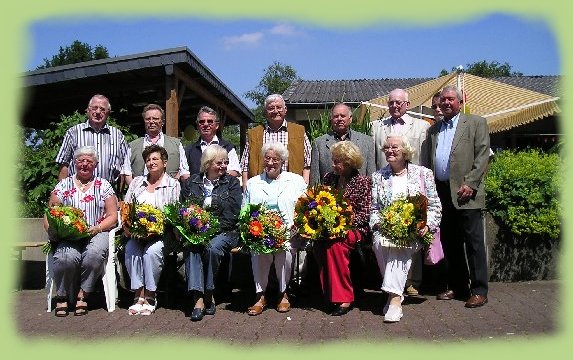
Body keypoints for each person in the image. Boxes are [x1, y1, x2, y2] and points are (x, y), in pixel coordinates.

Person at [423, 85, 490, 308]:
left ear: (460, 102)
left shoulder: (476, 123)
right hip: (442, 192)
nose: (446, 103)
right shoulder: (433, 130)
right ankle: (458, 286)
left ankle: (479, 290)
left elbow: (482, 157)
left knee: (474, 243)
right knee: (450, 243)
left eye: (451, 99)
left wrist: (470, 183)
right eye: (443, 100)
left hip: (466, 192)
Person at [370, 135, 442, 322]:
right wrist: (379, 224)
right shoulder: (378, 176)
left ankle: (394, 301)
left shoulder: (423, 173)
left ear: (406, 150)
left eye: (394, 147)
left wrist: (427, 225)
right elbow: (375, 208)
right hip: (385, 228)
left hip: (414, 231)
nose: (389, 150)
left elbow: (435, 206)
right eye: (386, 147)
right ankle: (396, 294)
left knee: (398, 248)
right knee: (379, 243)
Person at [44, 145, 119, 317]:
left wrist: (98, 228)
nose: (84, 164)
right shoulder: (64, 185)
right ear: (74, 163)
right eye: (80, 161)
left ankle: (82, 294)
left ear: (95, 164)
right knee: (65, 257)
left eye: (89, 161)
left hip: (96, 231)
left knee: (94, 254)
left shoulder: (103, 185)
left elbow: (112, 216)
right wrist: (53, 231)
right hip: (69, 235)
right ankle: (62, 295)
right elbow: (50, 213)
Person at [370, 88, 431, 297]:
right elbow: (375, 158)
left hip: (412, 184)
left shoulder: (422, 126)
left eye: (399, 102)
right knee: (388, 236)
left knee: (412, 229)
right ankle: (392, 283)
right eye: (391, 102)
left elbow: (424, 157)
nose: (395, 106)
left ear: (408, 103)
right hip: (386, 184)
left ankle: (412, 281)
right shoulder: (376, 127)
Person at [243, 142, 307, 316]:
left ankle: (283, 292)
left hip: (288, 231)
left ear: (283, 162)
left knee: (284, 250)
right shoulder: (253, 183)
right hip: (260, 230)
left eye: (275, 159)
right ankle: (260, 295)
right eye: (267, 158)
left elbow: (304, 209)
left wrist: (294, 227)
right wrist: (254, 229)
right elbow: (245, 211)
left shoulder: (296, 181)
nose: (271, 163)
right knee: (258, 250)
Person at [179, 144, 242, 321]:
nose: (223, 166)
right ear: (207, 164)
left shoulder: (232, 184)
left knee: (213, 248)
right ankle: (198, 299)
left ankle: (209, 292)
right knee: (192, 246)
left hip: (225, 231)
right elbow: (182, 208)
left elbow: (233, 214)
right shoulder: (192, 182)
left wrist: (209, 229)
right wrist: (192, 227)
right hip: (196, 231)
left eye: (225, 163)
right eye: (219, 163)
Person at [313, 141, 371, 316]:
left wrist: (343, 224)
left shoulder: (362, 182)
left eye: (337, 161)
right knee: (319, 243)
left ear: (348, 162)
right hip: (331, 228)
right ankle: (330, 294)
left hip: (356, 229)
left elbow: (365, 214)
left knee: (336, 244)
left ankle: (345, 297)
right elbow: (320, 203)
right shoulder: (329, 178)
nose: (333, 164)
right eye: (333, 160)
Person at [123, 144, 181, 315]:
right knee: (130, 248)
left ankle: (150, 294)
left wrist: (155, 227)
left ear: (164, 162)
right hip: (136, 233)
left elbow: (174, 214)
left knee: (152, 252)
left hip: (162, 234)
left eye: (155, 159)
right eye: (148, 160)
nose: (151, 162)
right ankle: (137, 293)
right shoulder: (136, 182)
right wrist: (129, 227)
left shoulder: (173, 185)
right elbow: (126, 208)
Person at [240, 94, 311, 190]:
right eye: (271, 108)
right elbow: (245, 165)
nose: (275, 111)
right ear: (265, 112)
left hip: (291, 187)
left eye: (279, 107)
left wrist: (304, 186)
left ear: (285, 110)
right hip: (261, 187)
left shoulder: (299, 131)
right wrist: (246, 187)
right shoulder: (254, 133)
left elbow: (308, 163)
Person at [55, 94, 129, 185]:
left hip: (108, 193)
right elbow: (64, 164)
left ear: (108, 112)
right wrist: (62, 193)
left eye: (102, 109)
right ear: (88, 110)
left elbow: (125, 168)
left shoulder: (118, 135)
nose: (98, 112)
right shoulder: (73, 132)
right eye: (94, 108)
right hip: (78, 192)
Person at [122, 104, 190, 184]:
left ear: (162, 122)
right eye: (148, 119)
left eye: (155, 118)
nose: (151, 121)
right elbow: (127, 173)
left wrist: (173, 185)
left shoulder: (176, 144)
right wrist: (135, 190)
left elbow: (184, 171)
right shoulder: (132, 146)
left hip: (169, 192)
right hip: (140, 193)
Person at [310, 103, 376, 185]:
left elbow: (371, 174)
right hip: (329, 195)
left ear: (350, 118)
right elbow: (315, 180)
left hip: (360, 194)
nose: (339, 119)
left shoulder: (367, 142)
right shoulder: (319, 143)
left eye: (343, 116)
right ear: (331, 119)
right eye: (336, 116)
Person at [184, 106, 241, 177]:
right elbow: (184, 175)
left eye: (210, 121)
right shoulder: (188, 150)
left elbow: (235, 171)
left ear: (217, 125)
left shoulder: (228, 147)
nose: (205, 124)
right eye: (202, 122)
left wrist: (214, 178)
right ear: (198, 126)